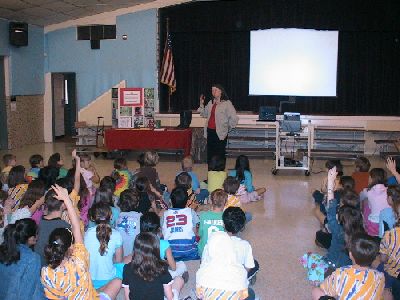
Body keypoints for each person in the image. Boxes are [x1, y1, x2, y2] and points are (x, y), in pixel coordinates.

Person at [41, 184, 121, 300]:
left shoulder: (46, 272)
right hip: (90, 297)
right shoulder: (79, 259)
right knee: (117, 281)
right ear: (71, 247)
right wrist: (67, 200)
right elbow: (76, 226)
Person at [312, 232, 384, 300]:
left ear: (350, 254)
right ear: (375, 258)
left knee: (316, 291)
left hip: (334, 285)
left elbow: (325, 289)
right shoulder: (380, 276)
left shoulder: (341, 273)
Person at [122, 232, 184, 300]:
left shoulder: (127, 268)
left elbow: (127, 297)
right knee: (179, 279)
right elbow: (169, 297)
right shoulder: (162, 267)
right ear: (156, 249)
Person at [196, 231, 254, 300]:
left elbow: (199, 295)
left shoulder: (202, 272)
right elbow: (244, 295)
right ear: (230, 247)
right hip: (236, 292)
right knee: (251, 293)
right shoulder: (241, 271)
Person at [0, 218, 45, 300]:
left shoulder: (3, 249)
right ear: (31, 238)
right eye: (37, 233)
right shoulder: (33, 258)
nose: (38, 237)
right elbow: (26, 292)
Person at [84, 202, 124, 290]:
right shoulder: (117, 235)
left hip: (89, 279)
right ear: (111, 216)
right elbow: (119, 261)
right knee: (123, 263)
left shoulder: (86, 234)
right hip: (109, 281)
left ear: (92, 218)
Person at [197, 84, 239, 162]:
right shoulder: (210, 103)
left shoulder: (227, 103)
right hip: (210, 131)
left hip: (220, 132)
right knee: (210, 153)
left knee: (219, 154)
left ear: (221, 92)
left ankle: (220, 173)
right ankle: (211, 172)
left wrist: (228, 128)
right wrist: (201, 103)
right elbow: (204, 114)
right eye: (212, 90)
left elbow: (234, 118)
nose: (213, 92)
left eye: (215, 90)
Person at [221, 207, 259, 283]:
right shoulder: (245, 245)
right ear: (242, 228)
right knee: (255, 264)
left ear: (223, 225)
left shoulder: (214, 238)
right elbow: (248, 268)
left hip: (217, 276)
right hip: (234, 282)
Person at [161, 187, 200, 261]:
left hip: (170, 254)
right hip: (190, 252)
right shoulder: (191, 212)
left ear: (170, 201)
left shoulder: (165, 214)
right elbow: (195, 232)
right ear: (187, 202)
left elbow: (163, 233)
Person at [34, 189, 71, 265]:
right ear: (63, 205)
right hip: (53, 267)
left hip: (38, 265)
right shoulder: (64, 227)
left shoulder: (39, 221)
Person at [360, 168, 390, 236]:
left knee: (366, 203)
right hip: (387, 223)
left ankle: (365, 226)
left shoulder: (367, 191)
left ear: (371, 178)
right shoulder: (389, 190)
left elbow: (360, 198)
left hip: (374, 224)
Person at [198, 189, 227, 256]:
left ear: (211, 201)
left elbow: (200, 234)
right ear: (225, 202)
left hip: (203, 251)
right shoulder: (226, 217)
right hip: (219, 252)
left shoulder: (203, 215)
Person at [116, 189, 142, 256]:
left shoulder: (117, 217)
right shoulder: (141, 217)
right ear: (137, 204)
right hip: (135, 256)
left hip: (119, 256)